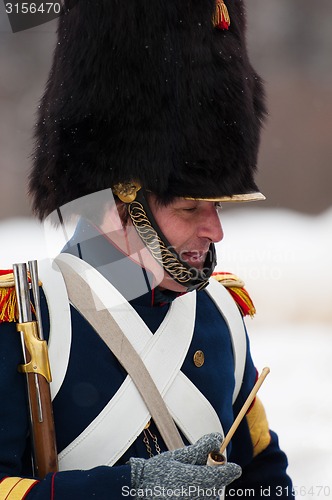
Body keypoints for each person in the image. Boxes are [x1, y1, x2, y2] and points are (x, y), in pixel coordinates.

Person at [0, 1, 294, 498]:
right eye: (190, 209)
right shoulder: (29, 318)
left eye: (216, 206)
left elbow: (263, 478)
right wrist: (125, 489)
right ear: (124, 200)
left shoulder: (222, 315)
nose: (216, 232)